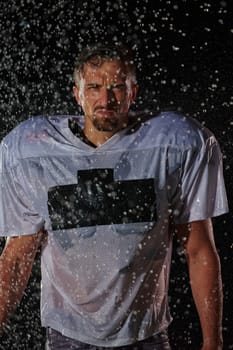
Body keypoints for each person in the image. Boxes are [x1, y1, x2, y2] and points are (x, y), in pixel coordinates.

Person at [0, 42, 228, 350]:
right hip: (68, 333)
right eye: (93, 87)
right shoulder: (32, 151)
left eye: (117, 87)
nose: (105, 99)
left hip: (145, 333)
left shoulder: (177, 144)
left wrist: (212, 341)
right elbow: (16, 257)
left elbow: (199, 250)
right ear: (77, 95)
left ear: (133, 93)